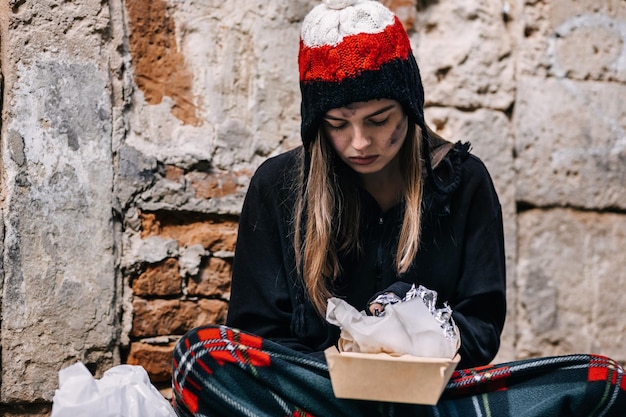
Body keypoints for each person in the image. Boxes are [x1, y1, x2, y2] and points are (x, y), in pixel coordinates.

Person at [171, 1, 626, 416]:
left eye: (379, 119)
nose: (360, 143)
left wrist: (408, 337)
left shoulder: (464, 181)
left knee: (604, 382)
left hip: (433, 397)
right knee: (201, 357)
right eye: (337, 125)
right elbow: (255, 335)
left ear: (409, 109)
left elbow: (483, 327)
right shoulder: (277, 186)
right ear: (316, 126)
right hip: (316, 393)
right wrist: (349, 360)